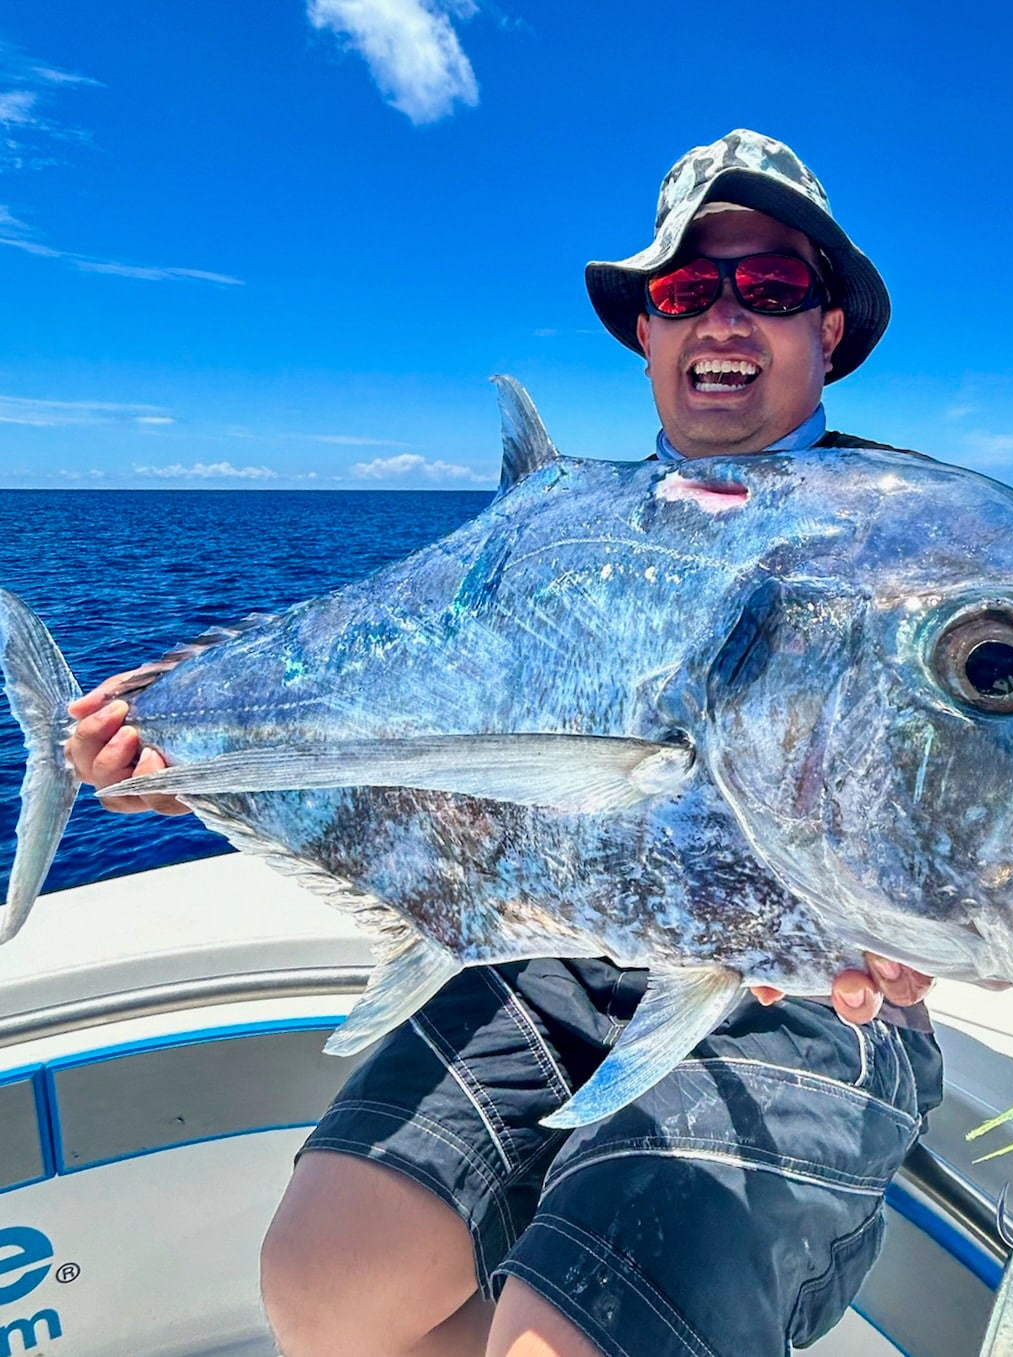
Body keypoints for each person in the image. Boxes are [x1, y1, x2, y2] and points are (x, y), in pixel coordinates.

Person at [64, 129, 944, 1357]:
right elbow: (411, 761)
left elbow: (984, 794)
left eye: (774, 289)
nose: (727, 320)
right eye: (688, 291)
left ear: (829, 329)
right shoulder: (555, 527)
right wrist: (194, 772)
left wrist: (929, 922)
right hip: (540, 946)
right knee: (324, 1285)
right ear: (645, 330)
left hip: (792, 994)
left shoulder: (916, 549)